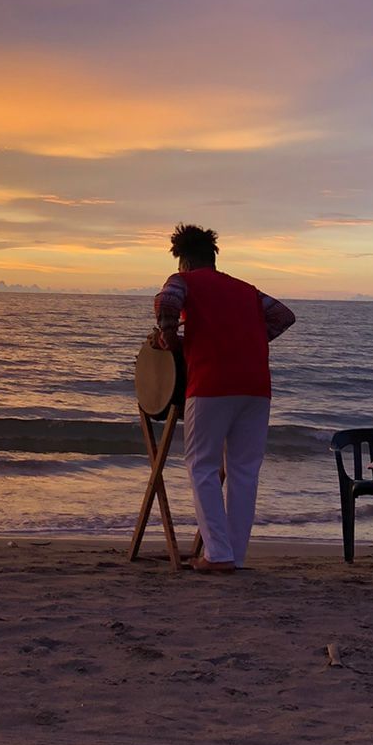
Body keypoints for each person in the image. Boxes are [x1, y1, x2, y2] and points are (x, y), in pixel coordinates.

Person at [151, 224, 296, 574]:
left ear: (184, 261)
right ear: (214, 258)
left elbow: (166, 299)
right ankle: (236, 555)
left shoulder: (184, 281)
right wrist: (249, 340)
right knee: (244, 472)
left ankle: (217, 554)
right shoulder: (246, 289)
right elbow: (283, 316)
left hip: (211, 383)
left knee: (201, 466)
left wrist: (169, 334)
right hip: (256, 386)